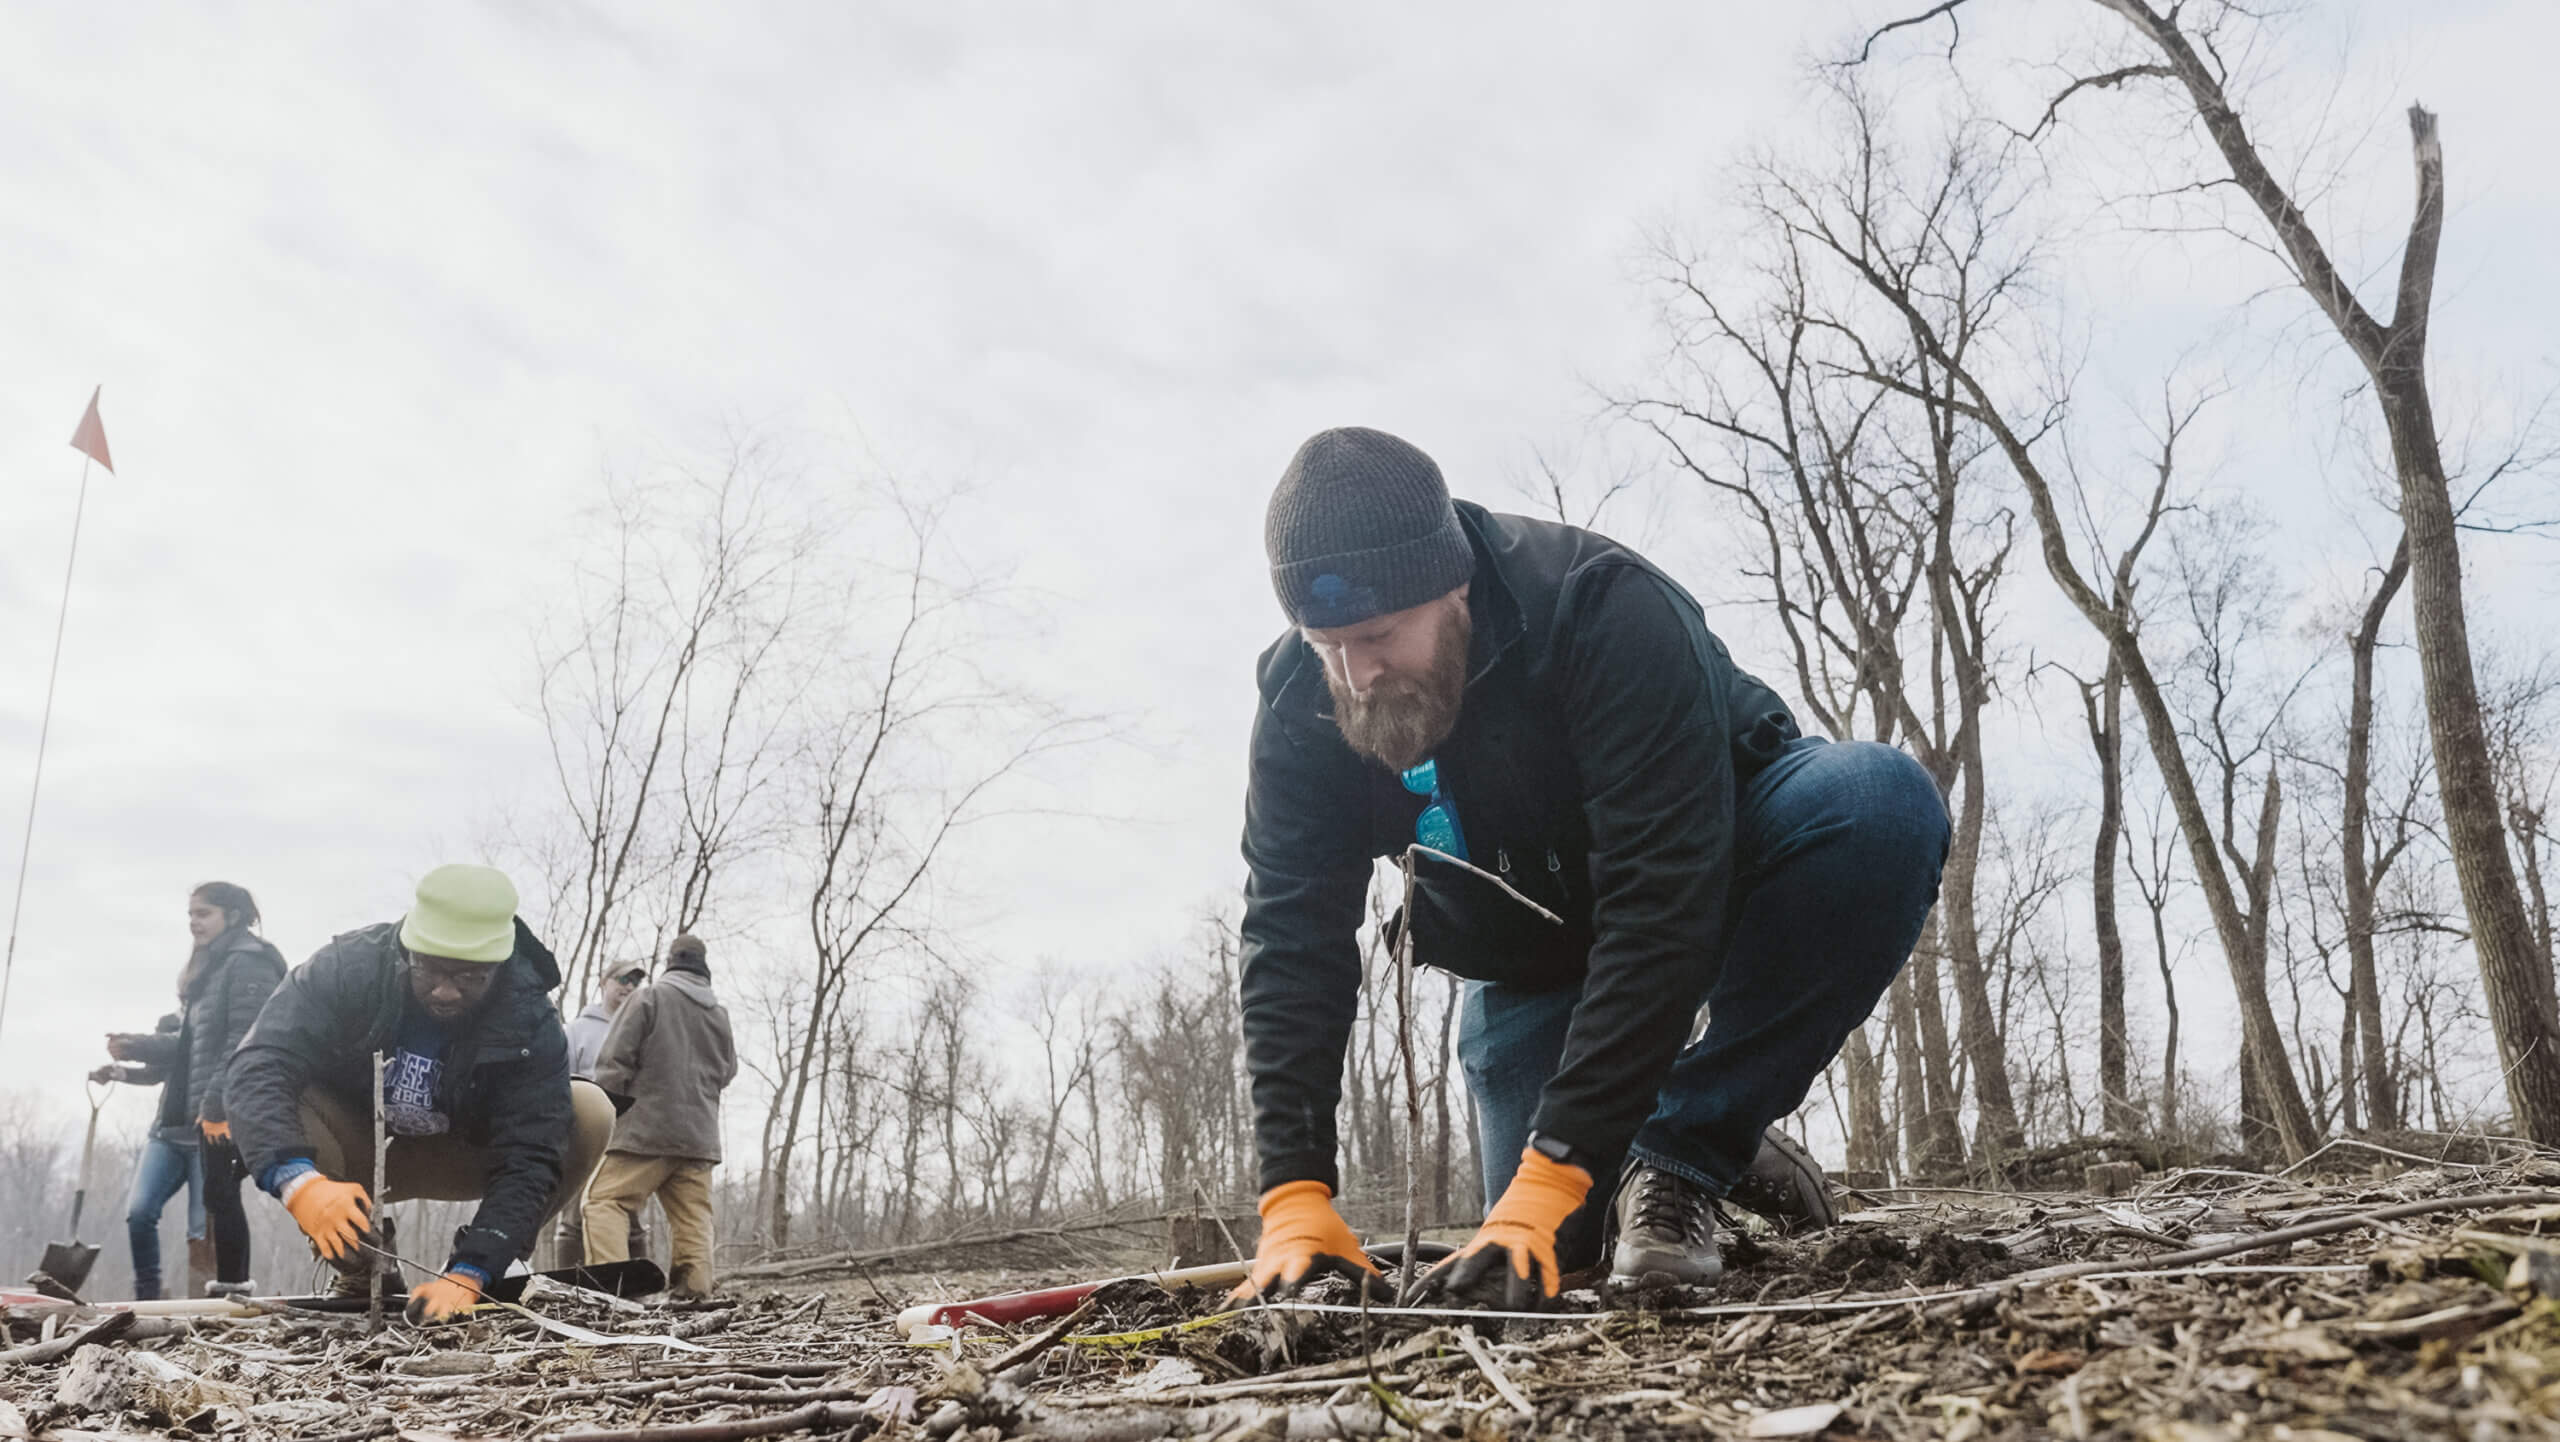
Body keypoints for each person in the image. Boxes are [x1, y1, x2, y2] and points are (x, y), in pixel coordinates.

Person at [1232, 428, 1950, 1308]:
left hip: (1709, 876)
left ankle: (1687, 1147)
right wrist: (1294, 1193)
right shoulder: (1300, 702)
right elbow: (1290, 937)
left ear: (1451, 582)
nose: (1356, 672)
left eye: (1379, 635)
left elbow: (1659, 901)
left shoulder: (1599, 607)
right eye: (1324, 641)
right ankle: (1675, 1125)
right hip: (1532, 964)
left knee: (1877, 804)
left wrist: (1562, 1166)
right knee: (1557, 1251)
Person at [224, 864, 614, 1322]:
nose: (445, 992)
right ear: (408, 946)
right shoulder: (346, 968)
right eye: (429, 970)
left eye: (469, 978)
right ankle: (362, 1263)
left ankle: (478, 1268)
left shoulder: (529, 1016)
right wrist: (298, 1183)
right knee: (280, 1088)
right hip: (354, 1147)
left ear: (498, 964)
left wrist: (476, 1267)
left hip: (462, 1153)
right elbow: (257, 1064)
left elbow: (532, 1152)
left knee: (590, 1111)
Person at [95, 883, 287, 1299]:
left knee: (216, 1205)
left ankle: (225, 1296)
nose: (194, 923)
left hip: (223, 1107)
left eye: (204, 913)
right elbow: (186, 1047)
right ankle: (189, 1297)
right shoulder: (213, 967)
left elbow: (245, 1039)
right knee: (188, 1203)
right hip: (189, 1114)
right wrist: (132, 1047)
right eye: (190, 915)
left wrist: (217, 1102)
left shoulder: (249, 963)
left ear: (232, 916)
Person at [581, 933, 737, 1297]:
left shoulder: (649, 997)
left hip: (644, 1132)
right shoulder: (719, 1014)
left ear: (671, 961)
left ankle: (614, 1294)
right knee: (693, 1218)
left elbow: (613, 1061)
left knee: (604, 1202)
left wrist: (609, 1115)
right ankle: (695, 1295)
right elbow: (727, 1071)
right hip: (699, 1139)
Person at [555, 960, 649, 1266]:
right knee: (573, 1213)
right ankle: (568, 1280)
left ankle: (635, 1285)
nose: (628, 986)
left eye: (635, 982)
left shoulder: (642, 1028)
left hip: (628, 1136)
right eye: (622, 979)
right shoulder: (576, 1031)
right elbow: (561, 1080)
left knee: (627, 1211)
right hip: (584, 1133)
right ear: (603, 982)